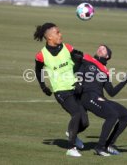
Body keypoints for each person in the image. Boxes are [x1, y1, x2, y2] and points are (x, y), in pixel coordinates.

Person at [34, 22, 88, 157]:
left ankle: (72, 133)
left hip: (75, 88)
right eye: (57, 32)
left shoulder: (67, 48)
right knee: (76, 114)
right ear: (49, 37)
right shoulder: (41, 55)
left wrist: (79, 71)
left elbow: (80, 63)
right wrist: (43, 86)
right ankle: (71, 148)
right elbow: (38, 71)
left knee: (85, 122)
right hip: (61, 91)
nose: (61, 34)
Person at [77, 45, 127, 156]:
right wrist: (79, 83)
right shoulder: (87, 59)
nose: (100, 48)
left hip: (100, 98)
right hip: (87, 96)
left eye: (103, 48)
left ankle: (109, 144)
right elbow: (78, 70)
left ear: (107, 56)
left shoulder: (104, 70)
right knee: (112, 115)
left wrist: (126, 80)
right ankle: (99, 147)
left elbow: (111, 92)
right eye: (99, 47)